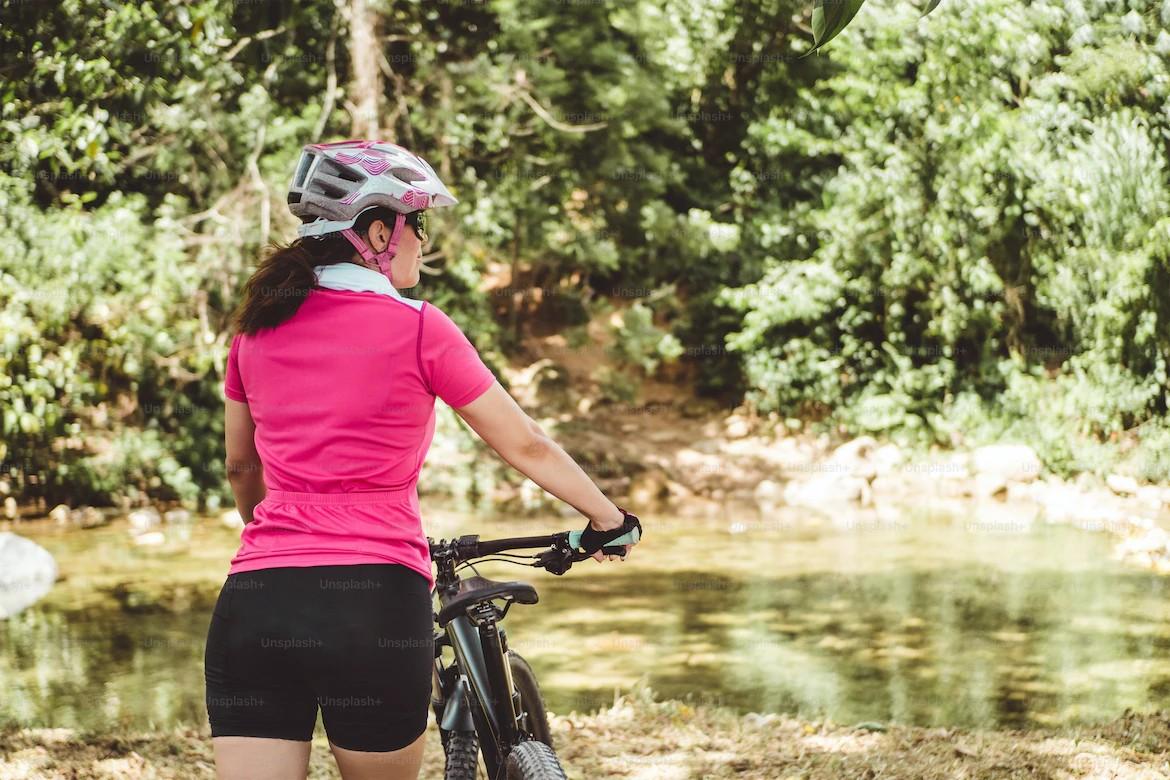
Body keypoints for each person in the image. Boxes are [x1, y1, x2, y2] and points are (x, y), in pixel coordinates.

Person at [203, 139, 640, 780]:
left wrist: (275, 536)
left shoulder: (253, 331)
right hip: (374, 602)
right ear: (378, 231)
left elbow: (242, 469)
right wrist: (607, 517)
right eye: (418, 224)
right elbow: (524, 444)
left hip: (258, 597)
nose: (422, 243)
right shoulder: (418, 326)